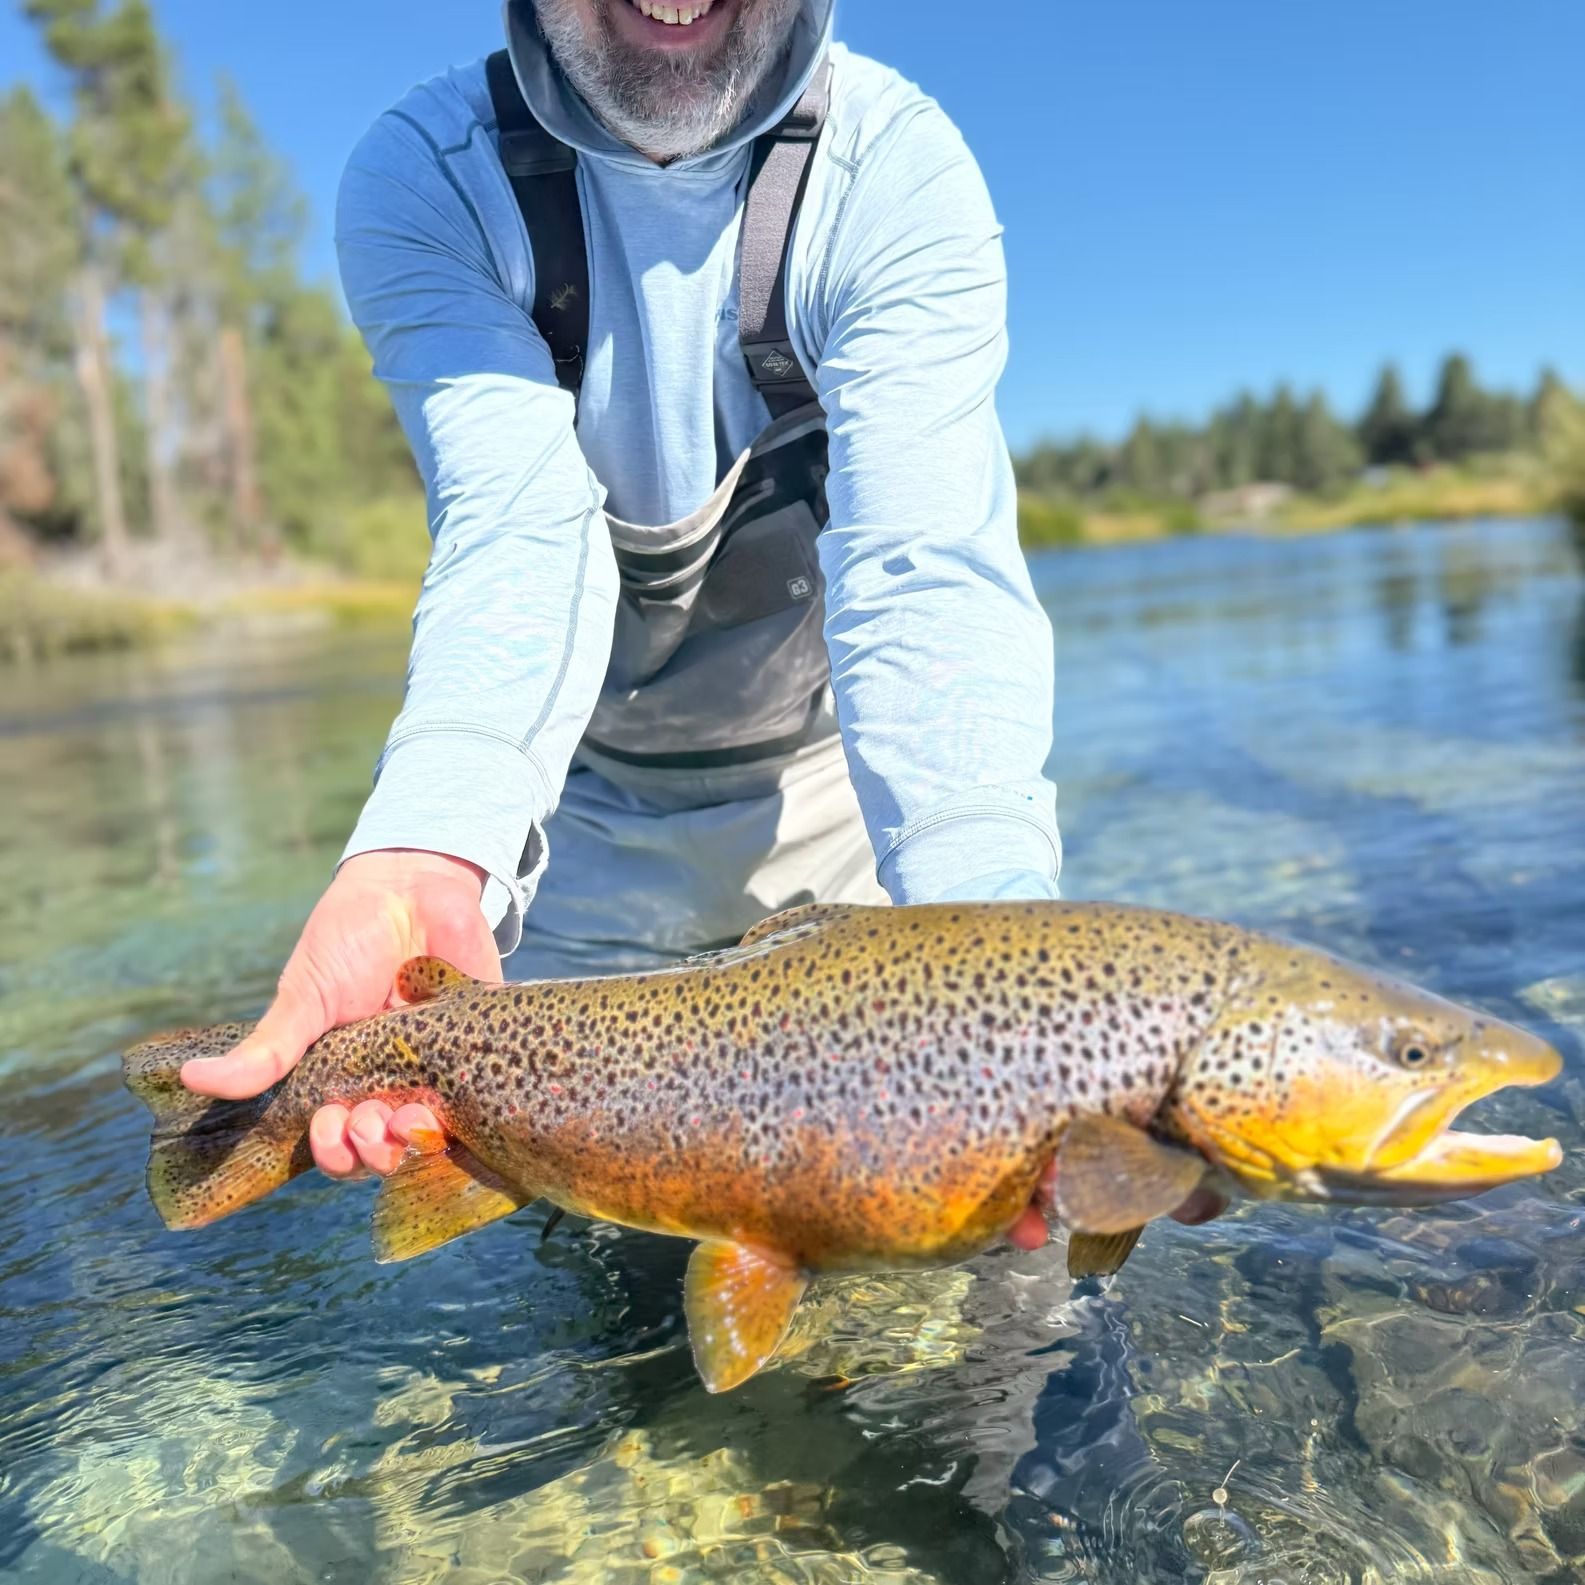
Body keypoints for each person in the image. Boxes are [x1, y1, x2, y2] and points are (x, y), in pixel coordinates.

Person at [179, 0, 1221, 1243]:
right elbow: (517, 530)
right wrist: (425, 850)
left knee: (999, 1283)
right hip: (581, 843)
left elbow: (922, 578)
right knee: (604, 1284)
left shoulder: (893, 169)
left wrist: (1017, 988)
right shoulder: (430, 179)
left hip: (846, 830)